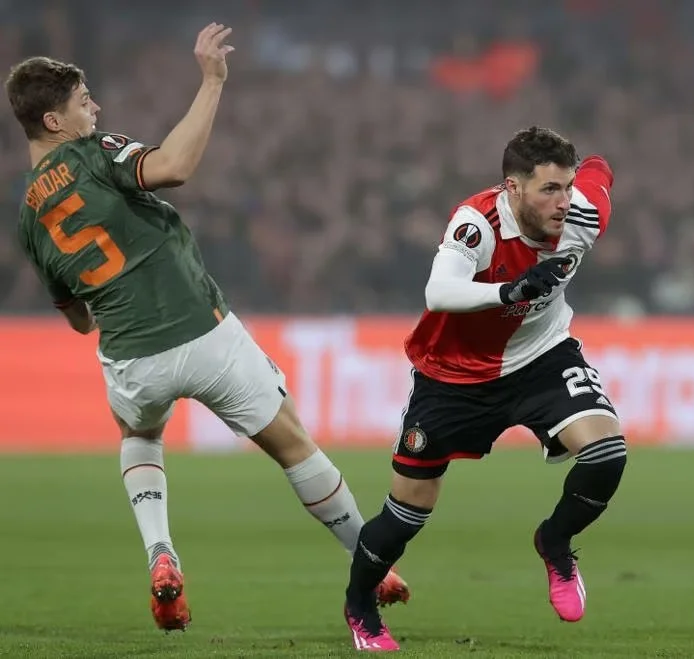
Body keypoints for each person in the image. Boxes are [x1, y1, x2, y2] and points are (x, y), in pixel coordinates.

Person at [7, 23, 408, 633]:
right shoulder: (92, 151)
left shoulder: (28, 217)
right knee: (292, 443)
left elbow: (78, 318)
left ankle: (160, 552)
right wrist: (213, 81)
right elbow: (173, 166)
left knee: (139, 435)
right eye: (85, 102)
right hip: (201, 329)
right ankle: (369, 561)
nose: (97, 109)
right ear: (55, 122)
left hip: (131, 356)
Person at [341, 126, 627, 652]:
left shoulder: (583, 214)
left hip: (541, 358)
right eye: (549, 189)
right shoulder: (478, 222)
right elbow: (439, 291)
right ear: (512, 188)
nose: (563, 201)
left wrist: (586, 172)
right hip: (453, 378)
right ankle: (359, 605)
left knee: (607, 453)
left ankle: (555, 541)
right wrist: (508, 291)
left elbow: (599, 171)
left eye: (567, 187)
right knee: (405, 515)